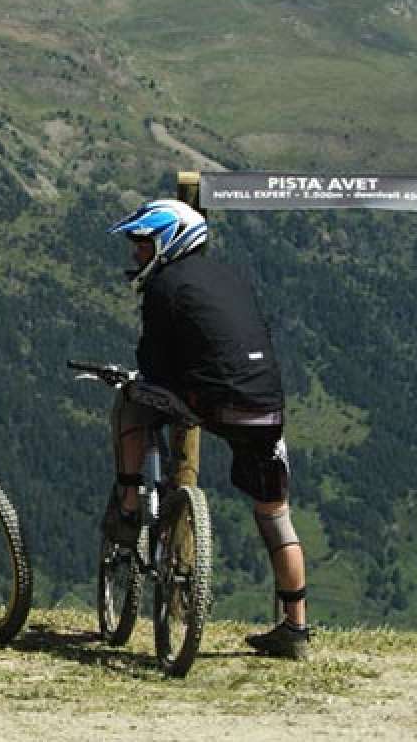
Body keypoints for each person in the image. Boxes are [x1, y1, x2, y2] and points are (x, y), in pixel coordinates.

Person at [107, 198, 309, 660]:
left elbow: (153, 363)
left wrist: (157, 382)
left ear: (166, 242)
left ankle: (130, 500)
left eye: (142, 244)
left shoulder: (164, 288)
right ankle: (296, 630)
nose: (136, 254)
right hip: (267, 406)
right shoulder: (231, 278)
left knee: (132, 404)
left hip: (211, 402)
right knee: (276, 514)